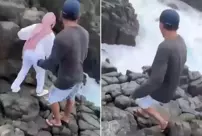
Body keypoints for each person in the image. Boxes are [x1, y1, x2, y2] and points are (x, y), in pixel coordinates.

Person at [33, 0, 89, 126]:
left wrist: (39, 62)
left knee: (52, 97)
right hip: (79, 76)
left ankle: (57, 120)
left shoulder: (61, 37)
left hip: (66, 79)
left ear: (61, 15)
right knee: (71, 98)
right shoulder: (85, 33)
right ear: (78, 16)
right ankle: (66, 117)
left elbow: (52, 63)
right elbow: (84, 55)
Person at [131, 9, 187, 131]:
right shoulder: (181, 41)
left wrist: (136, 93)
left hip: (163, 93)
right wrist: (152, 69)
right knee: (146, 91)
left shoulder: (165, 46)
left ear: (161, 25)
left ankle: (162, 122)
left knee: (139, 100)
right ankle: (145, 111)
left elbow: (156, 81)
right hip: (173, 86)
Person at [11, 12, 56, 96]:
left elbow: (21, 33)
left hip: (27, 51)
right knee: (40, 73)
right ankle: (39, 91)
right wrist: (49, 58)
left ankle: (15, 87)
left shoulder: (36, 26)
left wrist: (24, 36)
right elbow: (51, 50)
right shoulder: (51, 35)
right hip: (38, 56)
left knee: (24, 70)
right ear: (52, 23)